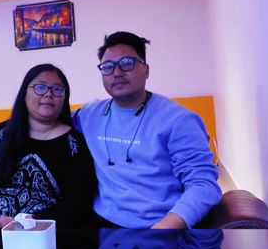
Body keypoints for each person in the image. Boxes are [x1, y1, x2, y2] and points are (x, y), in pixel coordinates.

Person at [73, 31, 222, 229]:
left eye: (127, 63)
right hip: (101, 226)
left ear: (146, 70)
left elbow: (203, 184)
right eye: (107, 67)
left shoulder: (178, 120)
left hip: (160, 225)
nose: (116, 72)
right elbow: (48, 122)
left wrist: (164, 229)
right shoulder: (89, 114)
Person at [0, 63, 97, 228]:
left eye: (57, 89)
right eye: (40, 87)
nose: (48, 94)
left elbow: (77, 206)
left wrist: (22, 223)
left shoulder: (75, 145)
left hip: (42, 236)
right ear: (24, 94)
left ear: (64, 98)